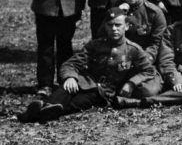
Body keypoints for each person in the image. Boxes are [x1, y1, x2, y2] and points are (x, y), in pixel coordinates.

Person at [17, 7, 157, 122]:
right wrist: (70, 77)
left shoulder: (133, 50)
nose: (114, 29)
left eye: (118, 25)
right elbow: (70, 64)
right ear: (105, 27)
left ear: (126, 26)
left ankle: (35, 113)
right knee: (65, 89)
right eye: (110, 25)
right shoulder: (95, 46)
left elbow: (149, 71)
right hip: (84, 82)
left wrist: (131, 83)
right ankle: (43, 108)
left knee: (76, 103)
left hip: (102, 94)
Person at [119, 0, 167, 64]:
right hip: (120, 58)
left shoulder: (154, 13)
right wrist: (119, 14)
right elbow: (104, 36)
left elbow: (156, 44)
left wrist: (143, 60)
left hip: (143, 59)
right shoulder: (117, 10)